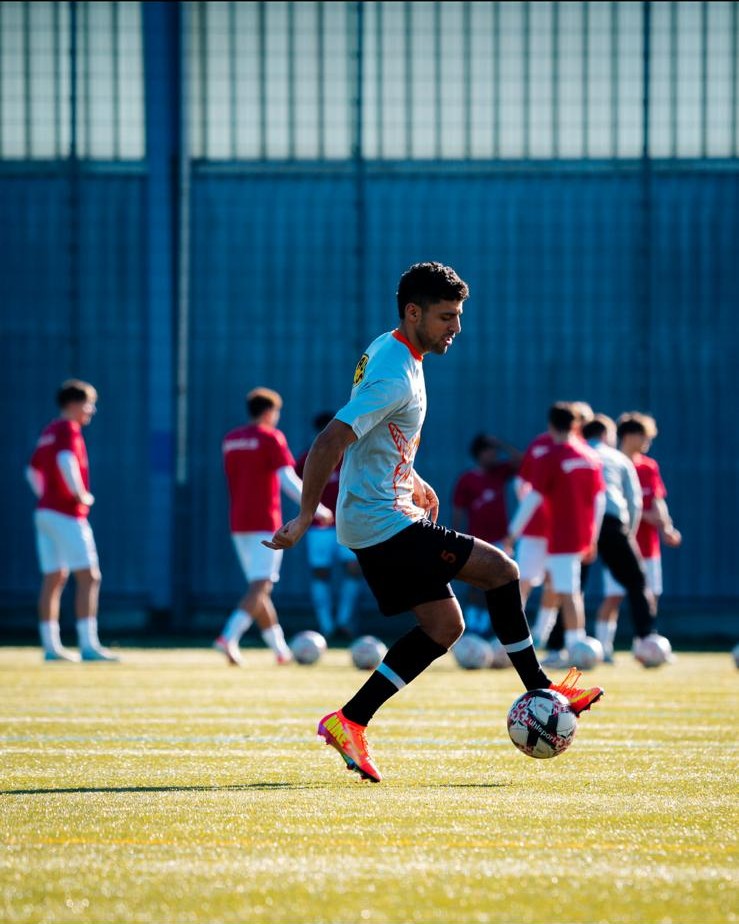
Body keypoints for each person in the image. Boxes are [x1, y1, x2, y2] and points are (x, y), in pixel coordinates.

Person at [264, 262, 603, 783]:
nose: (457, 328)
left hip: (386, 511)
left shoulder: (392, 349)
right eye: (447, 317)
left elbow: (377, 435)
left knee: (446, 627)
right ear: (414, 312)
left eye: (459, 316)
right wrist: (306, 515)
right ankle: (542, 689)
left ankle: (349, 720)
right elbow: (331, 440)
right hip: (382, 521)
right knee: (502, 570)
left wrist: (412, 476)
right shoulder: (394, 371)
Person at [214, 387, 332, 667]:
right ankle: (227, 636)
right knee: (261, 585)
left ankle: (281, 651)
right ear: (269, 412)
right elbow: (287, 479)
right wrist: (316, 508)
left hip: (238, 521)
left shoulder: (231, 439)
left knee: (259, 588)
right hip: (265, 521)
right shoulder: (271, 437)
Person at [504, 402, 606, 668]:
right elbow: (599, 499)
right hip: (568, 535)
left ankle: (518, 643)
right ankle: (571, 645)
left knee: (528, 585)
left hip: (554, 533)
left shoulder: (551, 454)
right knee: (565, 590)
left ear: (551, 424)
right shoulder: (590, 456)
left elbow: (532, 495)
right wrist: (592, 535)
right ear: (575, 424)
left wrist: (512, 533)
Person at [25, 379, 118, 662]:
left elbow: (31, 471)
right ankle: (89, 645)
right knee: (89, 577)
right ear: (74, 404)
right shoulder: (67, 429)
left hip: (45, 512)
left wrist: (47, 496)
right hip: (67, 514)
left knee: (54, 578)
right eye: (88, 403)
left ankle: (51, 647)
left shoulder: (49, 430)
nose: (91, 410)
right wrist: (79, 494)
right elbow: (66, 460)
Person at [596, 412, 682, 655]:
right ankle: (603, 648)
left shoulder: (649, 466)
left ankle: (644, 647)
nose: (648, 442)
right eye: (644, 436)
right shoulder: (612, 463)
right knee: (613, 596)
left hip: (648, 543)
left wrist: (666, 527)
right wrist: (645, 517)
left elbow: (657, 500)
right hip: (622, 540)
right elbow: (617, 504)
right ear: (630, 435)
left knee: (649, 593)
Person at [582, 414, 655, 662]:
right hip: (612, 523)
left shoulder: (578, 453)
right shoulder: (618, 457)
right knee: (637, 580)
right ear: (607, 435)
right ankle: (646, 637)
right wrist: (629, 534)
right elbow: (634, 500)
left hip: (581, 523)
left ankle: (566, 642)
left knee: (571, 586)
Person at [295, 411, 363, 640]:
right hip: (318, 528)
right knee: (320, 573)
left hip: (349, 524)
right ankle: (326, 626)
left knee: (354, 570)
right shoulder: (308, 458)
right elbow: (296, 486)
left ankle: (344, 622)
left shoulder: (351, 456)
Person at [451, 433, 521, 635]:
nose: (494, 455)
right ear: (480, 454)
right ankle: (473, 626)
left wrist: (501, 442)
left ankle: (494, 627)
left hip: (501, 540)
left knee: (501, 585)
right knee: (476, 584)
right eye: (490, 451)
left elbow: (522, 461)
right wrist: (457, 540)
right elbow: (458, 510)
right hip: (477, 541)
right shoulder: (467, 479)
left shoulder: (500, 472)